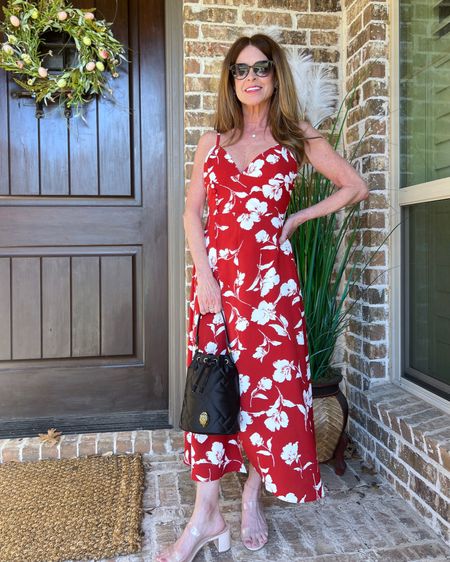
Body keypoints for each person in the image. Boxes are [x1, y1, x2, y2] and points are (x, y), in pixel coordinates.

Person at [155, 33, 369, 562]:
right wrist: (203, 276)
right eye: (241, 69)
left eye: (262, 68)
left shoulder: (296, 135)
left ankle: (251, 497)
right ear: (231, 79)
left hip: (272, 291)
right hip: (216, 287)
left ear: (275, 77)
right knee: (214, 387)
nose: (251, 77)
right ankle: (206, 514)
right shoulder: (214, 140)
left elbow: (353, 186)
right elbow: (191, 214)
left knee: (264, 397)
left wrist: (295, 217)